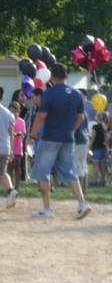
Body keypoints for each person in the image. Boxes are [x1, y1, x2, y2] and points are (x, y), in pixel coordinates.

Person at [29, 63, 91, 219]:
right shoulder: (77, 94)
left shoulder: (49, 94)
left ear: (52, 77)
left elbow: (41, 116)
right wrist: (72, 129)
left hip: (50, 137)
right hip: (68, 138)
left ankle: (47, 209)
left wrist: (32, 135)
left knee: (43, 173)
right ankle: (82, 203)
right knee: (69, 171)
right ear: (66, 76)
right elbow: (80, 116)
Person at [73, 88, 91, 193]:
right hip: (84, 141)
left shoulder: (75, 112)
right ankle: (84, 191)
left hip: (77, 141)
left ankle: (79, 192)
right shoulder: (85, 112)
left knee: (77, 167)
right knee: (83, 166)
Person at [8, 101, 26, 191]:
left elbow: (23, 134)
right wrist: (13, 134)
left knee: (17, 168)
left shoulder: (21, 121)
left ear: (18, 112)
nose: (13, 113)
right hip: (9, 148)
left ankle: (17, 187)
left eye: (15, 111)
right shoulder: (7, 120)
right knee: (9, 168)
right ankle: (10, 186)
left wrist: (17, 134)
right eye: (11, 111)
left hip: (18, 148)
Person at [89, 113, 107, 186]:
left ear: (98, 118)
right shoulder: (104, 127)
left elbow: (93, 138)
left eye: (96, 116)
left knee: (95, 165)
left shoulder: (95, 127)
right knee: (102, 165)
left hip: (96, 148)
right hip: (103, 148)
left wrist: (90, 147)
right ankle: (103, 180)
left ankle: (95, 180)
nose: (95, 117)